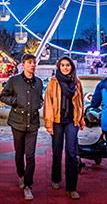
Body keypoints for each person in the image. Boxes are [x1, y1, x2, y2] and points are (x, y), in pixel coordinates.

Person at [0, 53, 44, 201]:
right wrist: (15, 101)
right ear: (23, 65)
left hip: (33, 123)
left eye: (34, 62)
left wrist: (40, 103)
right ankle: (21, 175)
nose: (32, 65)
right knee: (19, 153)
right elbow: (2, 96)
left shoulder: (39, 82)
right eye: (29, 62)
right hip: (17, 122)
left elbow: (40, 98)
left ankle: (28, 186)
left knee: (30, 155)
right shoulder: (14, 81)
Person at [44, 56, 85, 200]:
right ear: (59, 67)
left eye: (68, 65)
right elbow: (48, 103)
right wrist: (48, 123)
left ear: (72, 67)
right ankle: (56, 178)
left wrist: (81, 119)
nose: (65, 67)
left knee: (72, 153)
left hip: (71, 121)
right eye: (63, 65)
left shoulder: (77, 82)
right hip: (57, 120)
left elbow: (80, 102)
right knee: (57, 150)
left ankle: (72, 187)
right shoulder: (53, 82)